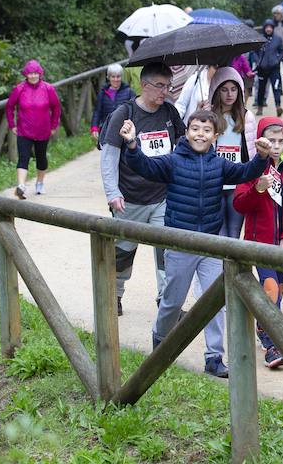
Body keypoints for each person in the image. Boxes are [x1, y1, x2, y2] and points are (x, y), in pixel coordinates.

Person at [120, 110, 271, 378]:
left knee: (214, 302)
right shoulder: (173, 161)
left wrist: (260, 156)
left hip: (210, 243)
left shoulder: (219, 164)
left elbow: (244, 172)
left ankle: (214, 357)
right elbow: (145, 166)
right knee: (172, 301)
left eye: (206, 130)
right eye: (195, 129)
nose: (200, 134)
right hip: (180, 243)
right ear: (186, 133)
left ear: (215, 136)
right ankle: (161, 342)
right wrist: (132, 144)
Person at [99, 62, 186, 315]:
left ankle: (166, 303)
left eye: (168, 86)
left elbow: (181, 148)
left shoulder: (170, 113)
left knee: (167, 253)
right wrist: (112, 192)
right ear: (144, 85)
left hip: (163, 196)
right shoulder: (123, 114)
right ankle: (114, 294)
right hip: (130, 198)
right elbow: (109, 157)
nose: (165, 91)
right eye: (160, 86)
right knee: (123, 253)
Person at [233, 117, 283, 368]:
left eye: (281, 141)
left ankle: (265, 328)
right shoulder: (252, 170)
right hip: (260, 243)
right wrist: (258, 189)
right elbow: (239, 203)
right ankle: (272, 344)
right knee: (270, 288)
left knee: (280, 288)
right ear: (260, 142)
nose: (276, 146)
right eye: (271, 141)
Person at [208, 66, 258, 239]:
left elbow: (252, 152)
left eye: (234, 89)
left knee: (234, 233)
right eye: (224, 90)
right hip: (215, 182)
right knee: (219, 233)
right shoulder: (208, 116)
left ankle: (232, 267)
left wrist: (252, 179)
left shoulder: (247, 116)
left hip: (238, 183)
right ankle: (220, 267)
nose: (229, 94)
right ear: (216, 91)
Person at [5, 59, 61, 199]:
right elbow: (9, 106)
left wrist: (54, 126)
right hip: (24, 130)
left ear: (40, 73)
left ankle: (40, 183)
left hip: (43, 130)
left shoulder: (48, 88)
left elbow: (56, 108)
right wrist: (12, 125)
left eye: (35, 73)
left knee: (41, 158)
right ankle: (21, 186)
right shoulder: (19, 88)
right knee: (23, 157)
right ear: (26, 75)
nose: (33, 76)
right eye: (30, 74)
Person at [91, 63, 135, 140]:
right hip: (106, 130)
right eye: (113, 77)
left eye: (118, 76)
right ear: (108, 77)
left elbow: (135, 111)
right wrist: (94, 128)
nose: (116, 79)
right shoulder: (102, 93)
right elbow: (97, 111)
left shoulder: (129, 92)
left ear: (121, 77)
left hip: (124, 130)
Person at [250, 19, 283, 117]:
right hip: (262, 68)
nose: (268, 29)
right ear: (264, 28)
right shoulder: (259, 38)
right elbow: (254, 52)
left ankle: (278, 107)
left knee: (276, 87)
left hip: (274, 68)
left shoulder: (277, 39)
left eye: (270, 27)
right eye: (267, 27)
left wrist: (277, 60)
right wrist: (258, 62)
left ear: (273, 28)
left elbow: (282, 51)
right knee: (261, 89)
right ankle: (260, 108)